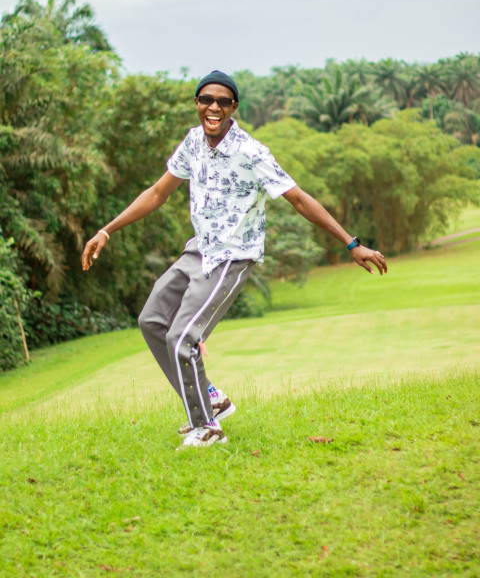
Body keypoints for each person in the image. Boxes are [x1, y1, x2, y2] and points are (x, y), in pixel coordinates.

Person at [82, 70, 387, 448]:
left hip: (231, 256)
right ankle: (211, 398)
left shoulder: (252, 152)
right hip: (199, 249)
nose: (213, 107)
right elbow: (158, 191)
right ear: (197, 104)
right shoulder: (193, 141)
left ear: (233, 108)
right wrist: (106, 230)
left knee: (181, 338)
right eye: (206, 100)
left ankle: (207, 428)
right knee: (151, 321)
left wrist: (350, 243)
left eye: (222, 101)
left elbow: (299, 199)